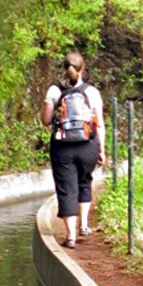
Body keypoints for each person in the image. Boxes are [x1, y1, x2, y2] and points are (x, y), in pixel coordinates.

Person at [41, 52, 106, 249]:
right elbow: (100, 124)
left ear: (63, 69)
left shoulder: (54, 91)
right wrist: (101, 149)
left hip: (62, 148)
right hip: (88, 145)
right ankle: (84, 226)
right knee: (84, 182)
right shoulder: (92, 92)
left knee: (66, 189)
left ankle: (70, 237)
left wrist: (48, 106)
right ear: (82, 69)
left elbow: (45, 121)